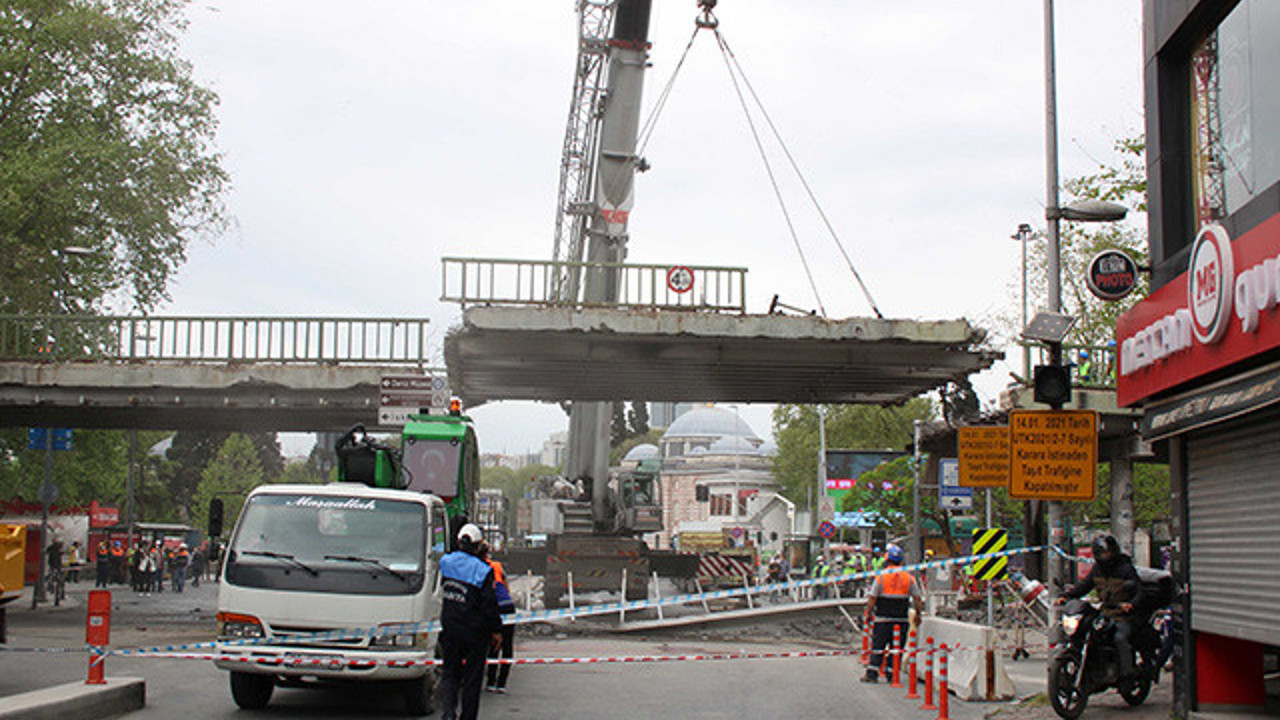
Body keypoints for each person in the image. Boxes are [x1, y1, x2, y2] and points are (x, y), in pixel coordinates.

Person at [1057, 535, 1145, 681]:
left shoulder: (1125, 569)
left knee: (1120, 637)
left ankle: (1127, 673)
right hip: (1105, 612)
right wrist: (1067, 596)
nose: (1105, 557)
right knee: (1088, 631)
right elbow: (1085, 585)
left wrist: (1131, 604)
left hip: (1123, 615)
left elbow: (1140, 590)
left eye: (1107, 553)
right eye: (1101, 554)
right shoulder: (1097, 570)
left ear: (1114, 552)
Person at [438, 523, 502, 720]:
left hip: (450, 627)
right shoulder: (482, 570)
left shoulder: (446, 562)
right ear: (478, 546)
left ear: (459, 541)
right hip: (475, 632)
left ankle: (449, 714)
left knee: (450, 673)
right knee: (472, 679)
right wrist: (496, 630)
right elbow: (489, 604)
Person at [861, 544, 923, 683]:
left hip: (882, 619)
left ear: (887, 560)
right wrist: (918, 614)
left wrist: (869, 613)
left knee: (878, 647)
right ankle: (892, 674)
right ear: (901, 561)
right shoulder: (909, 578)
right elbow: (917, 599)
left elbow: (872, 598)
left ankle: (872, 674)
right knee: (897, 648)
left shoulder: (881, 577)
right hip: (901, 619)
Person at [481, 543, 516, 694]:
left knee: (493, 643)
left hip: (493, 606)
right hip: (507, 606)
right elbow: (506, 588)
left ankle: (491, 682)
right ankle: (501, 683)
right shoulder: (497, 566)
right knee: (507, 646)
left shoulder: (477, 567)